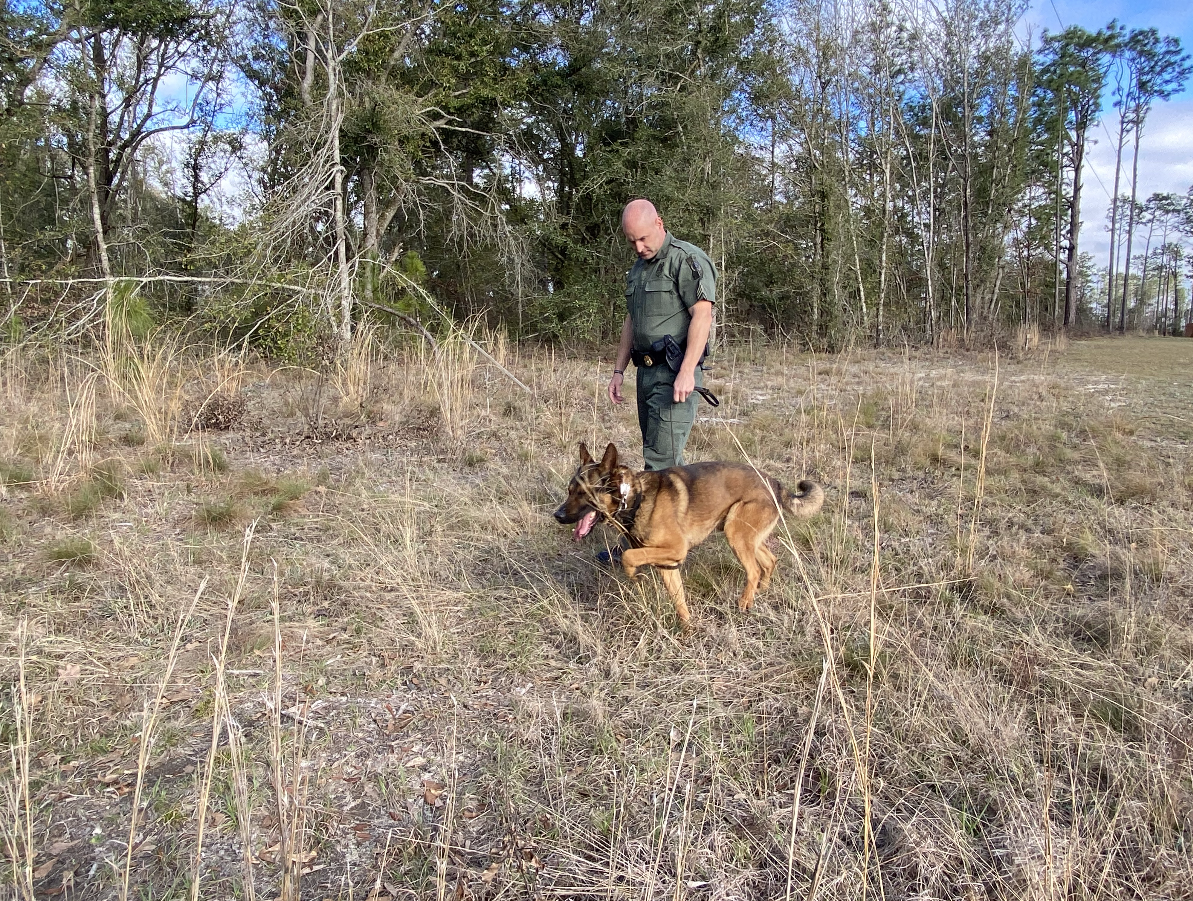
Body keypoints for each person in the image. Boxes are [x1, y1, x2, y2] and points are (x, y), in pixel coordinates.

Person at [608, 199, 717, 472]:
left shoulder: (686, 259)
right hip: (645, 374)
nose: (638, 247)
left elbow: (703, 315)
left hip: (674, 373)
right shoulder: (638, 269)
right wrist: (619, 370)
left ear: (659, 223)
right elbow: (632, 320)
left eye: (643, 239)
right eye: (631, 241)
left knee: (661, 466)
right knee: (658, 458)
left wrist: (687, 371)